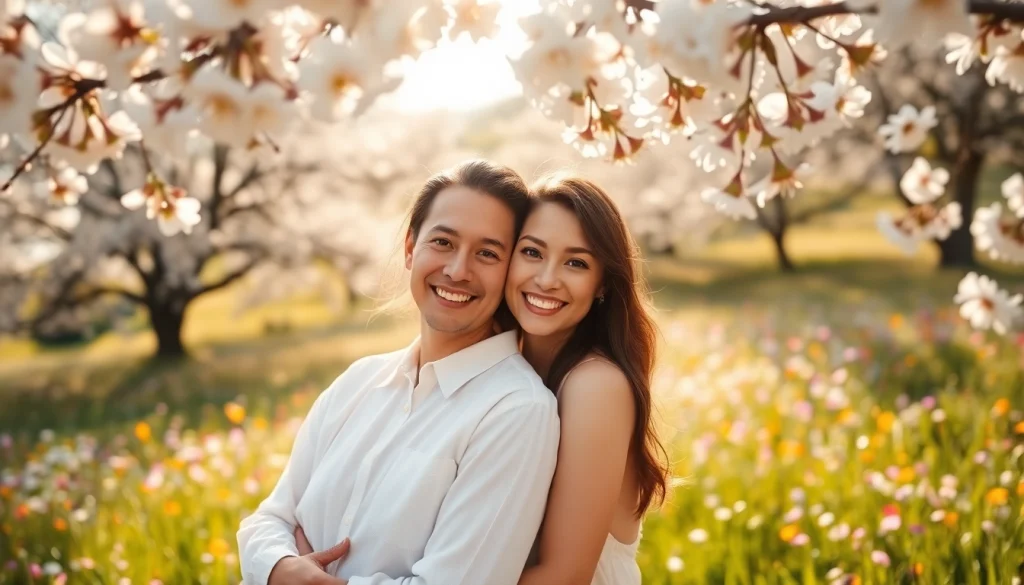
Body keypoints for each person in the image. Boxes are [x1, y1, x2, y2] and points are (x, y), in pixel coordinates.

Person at [236, 160, 561, 585]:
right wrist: (279, 567)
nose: (458, 270)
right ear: (411, 248)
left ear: (510, 271)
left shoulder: (517, 411)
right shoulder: (359, 381)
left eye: (487, 253)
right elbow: (267, 520)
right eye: (443, 242)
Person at [509, 175, 669, 585]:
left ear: (602, 284)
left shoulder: (595, 386)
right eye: (531, 252)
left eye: (576, 262)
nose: (547, 279)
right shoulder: (513, 370)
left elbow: (566, 575)